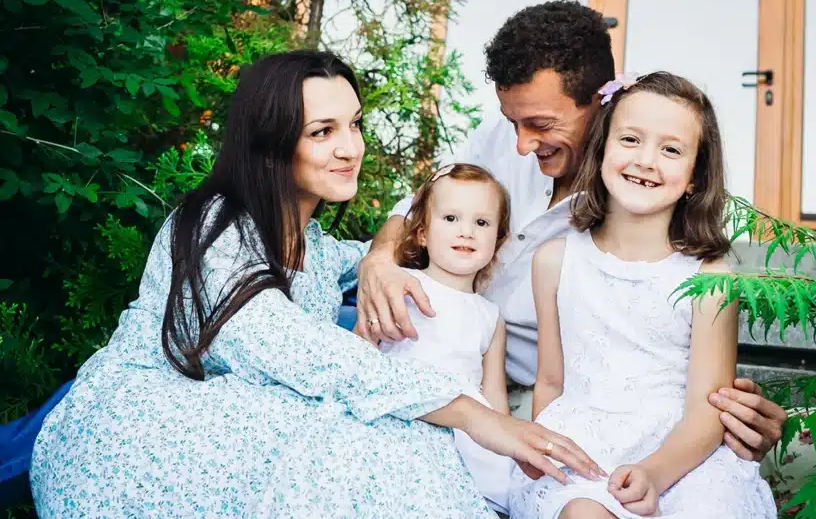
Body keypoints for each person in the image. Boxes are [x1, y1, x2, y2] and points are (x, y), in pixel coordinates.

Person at [30, 50, 597, 517]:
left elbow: (382, 258)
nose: (351, 147)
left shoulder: (314, 241)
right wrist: (481, 418)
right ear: (274, 141)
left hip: (239, 417)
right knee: (384, 443)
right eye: (323, 131)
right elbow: (300, 350)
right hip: (141, 438)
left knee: (397, 441)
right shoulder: (215, 225)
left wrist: (380, 259)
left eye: (354, 125)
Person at [356, 0, 787, 462]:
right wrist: (379, 260)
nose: (521, 144)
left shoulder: (641, 198)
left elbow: (663, 334)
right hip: (432, 355)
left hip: (535, 396)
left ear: (601, 102)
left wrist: (728, 412)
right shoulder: (502, 137)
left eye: (540, 125)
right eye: (512, 122)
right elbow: (416, 206)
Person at [508, 71, 777, 518]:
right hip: (584, 450)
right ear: (602, 151)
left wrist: (654, 472)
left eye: (671, 149)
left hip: (683, 457)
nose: (646, 160)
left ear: (695, 177)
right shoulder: (554, 261)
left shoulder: (711, 276)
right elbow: (551, 383)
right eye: (630, 139)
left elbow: (709, 408)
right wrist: (541, 448)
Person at [376, 163, 564, 514]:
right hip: (398, 417)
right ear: (421, 232)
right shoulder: (398, 284)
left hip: (465, 437)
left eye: (481, 223)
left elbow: (494, 399)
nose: (466, 232)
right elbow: (358, 353)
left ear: (498, 241)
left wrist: (510, 449)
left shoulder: (490, 317)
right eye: (450, 219)